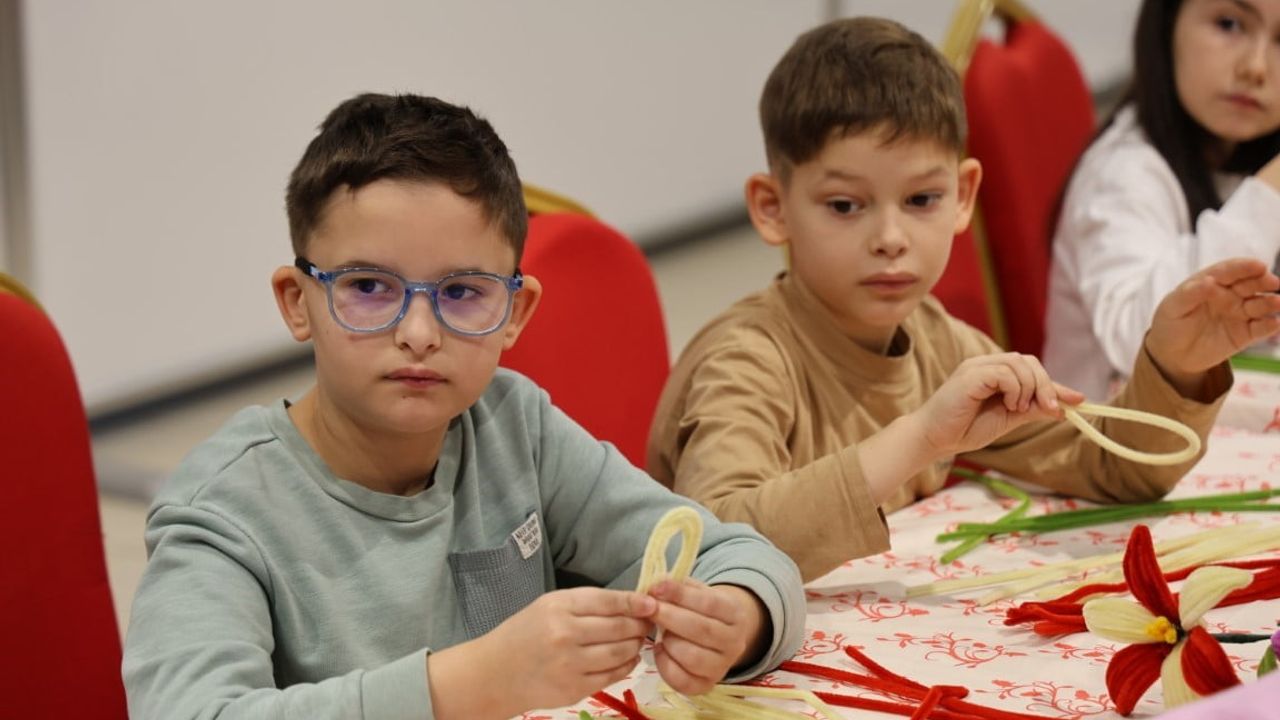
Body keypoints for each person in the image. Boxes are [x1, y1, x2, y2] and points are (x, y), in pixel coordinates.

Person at [121, 93, 805, 720]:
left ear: (516, 312)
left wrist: (735, 619)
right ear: (299, 303)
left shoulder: (516, 427)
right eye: (368, 287)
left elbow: (735, 551)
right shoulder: (222, 510)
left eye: (462, 293)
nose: (418, 334)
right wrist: (469, 683)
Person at [646, 17, 1280, 582]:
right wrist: (920, 437)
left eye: (921, 200)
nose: (891, 240)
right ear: (772, 207)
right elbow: (713, 543)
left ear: (963, 195)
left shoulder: (935, 337)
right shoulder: (746, 360)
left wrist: (1175, 363)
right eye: (845, 206)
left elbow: (1112, 471)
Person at [1044, 0, 1280, 400]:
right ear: (1167, 24)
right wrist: (1271, 189)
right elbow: (1151, 342)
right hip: (1100, 446)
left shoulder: (1238, 152)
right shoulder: (1122, 173)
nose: (1255, 67)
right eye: (1229, 24)